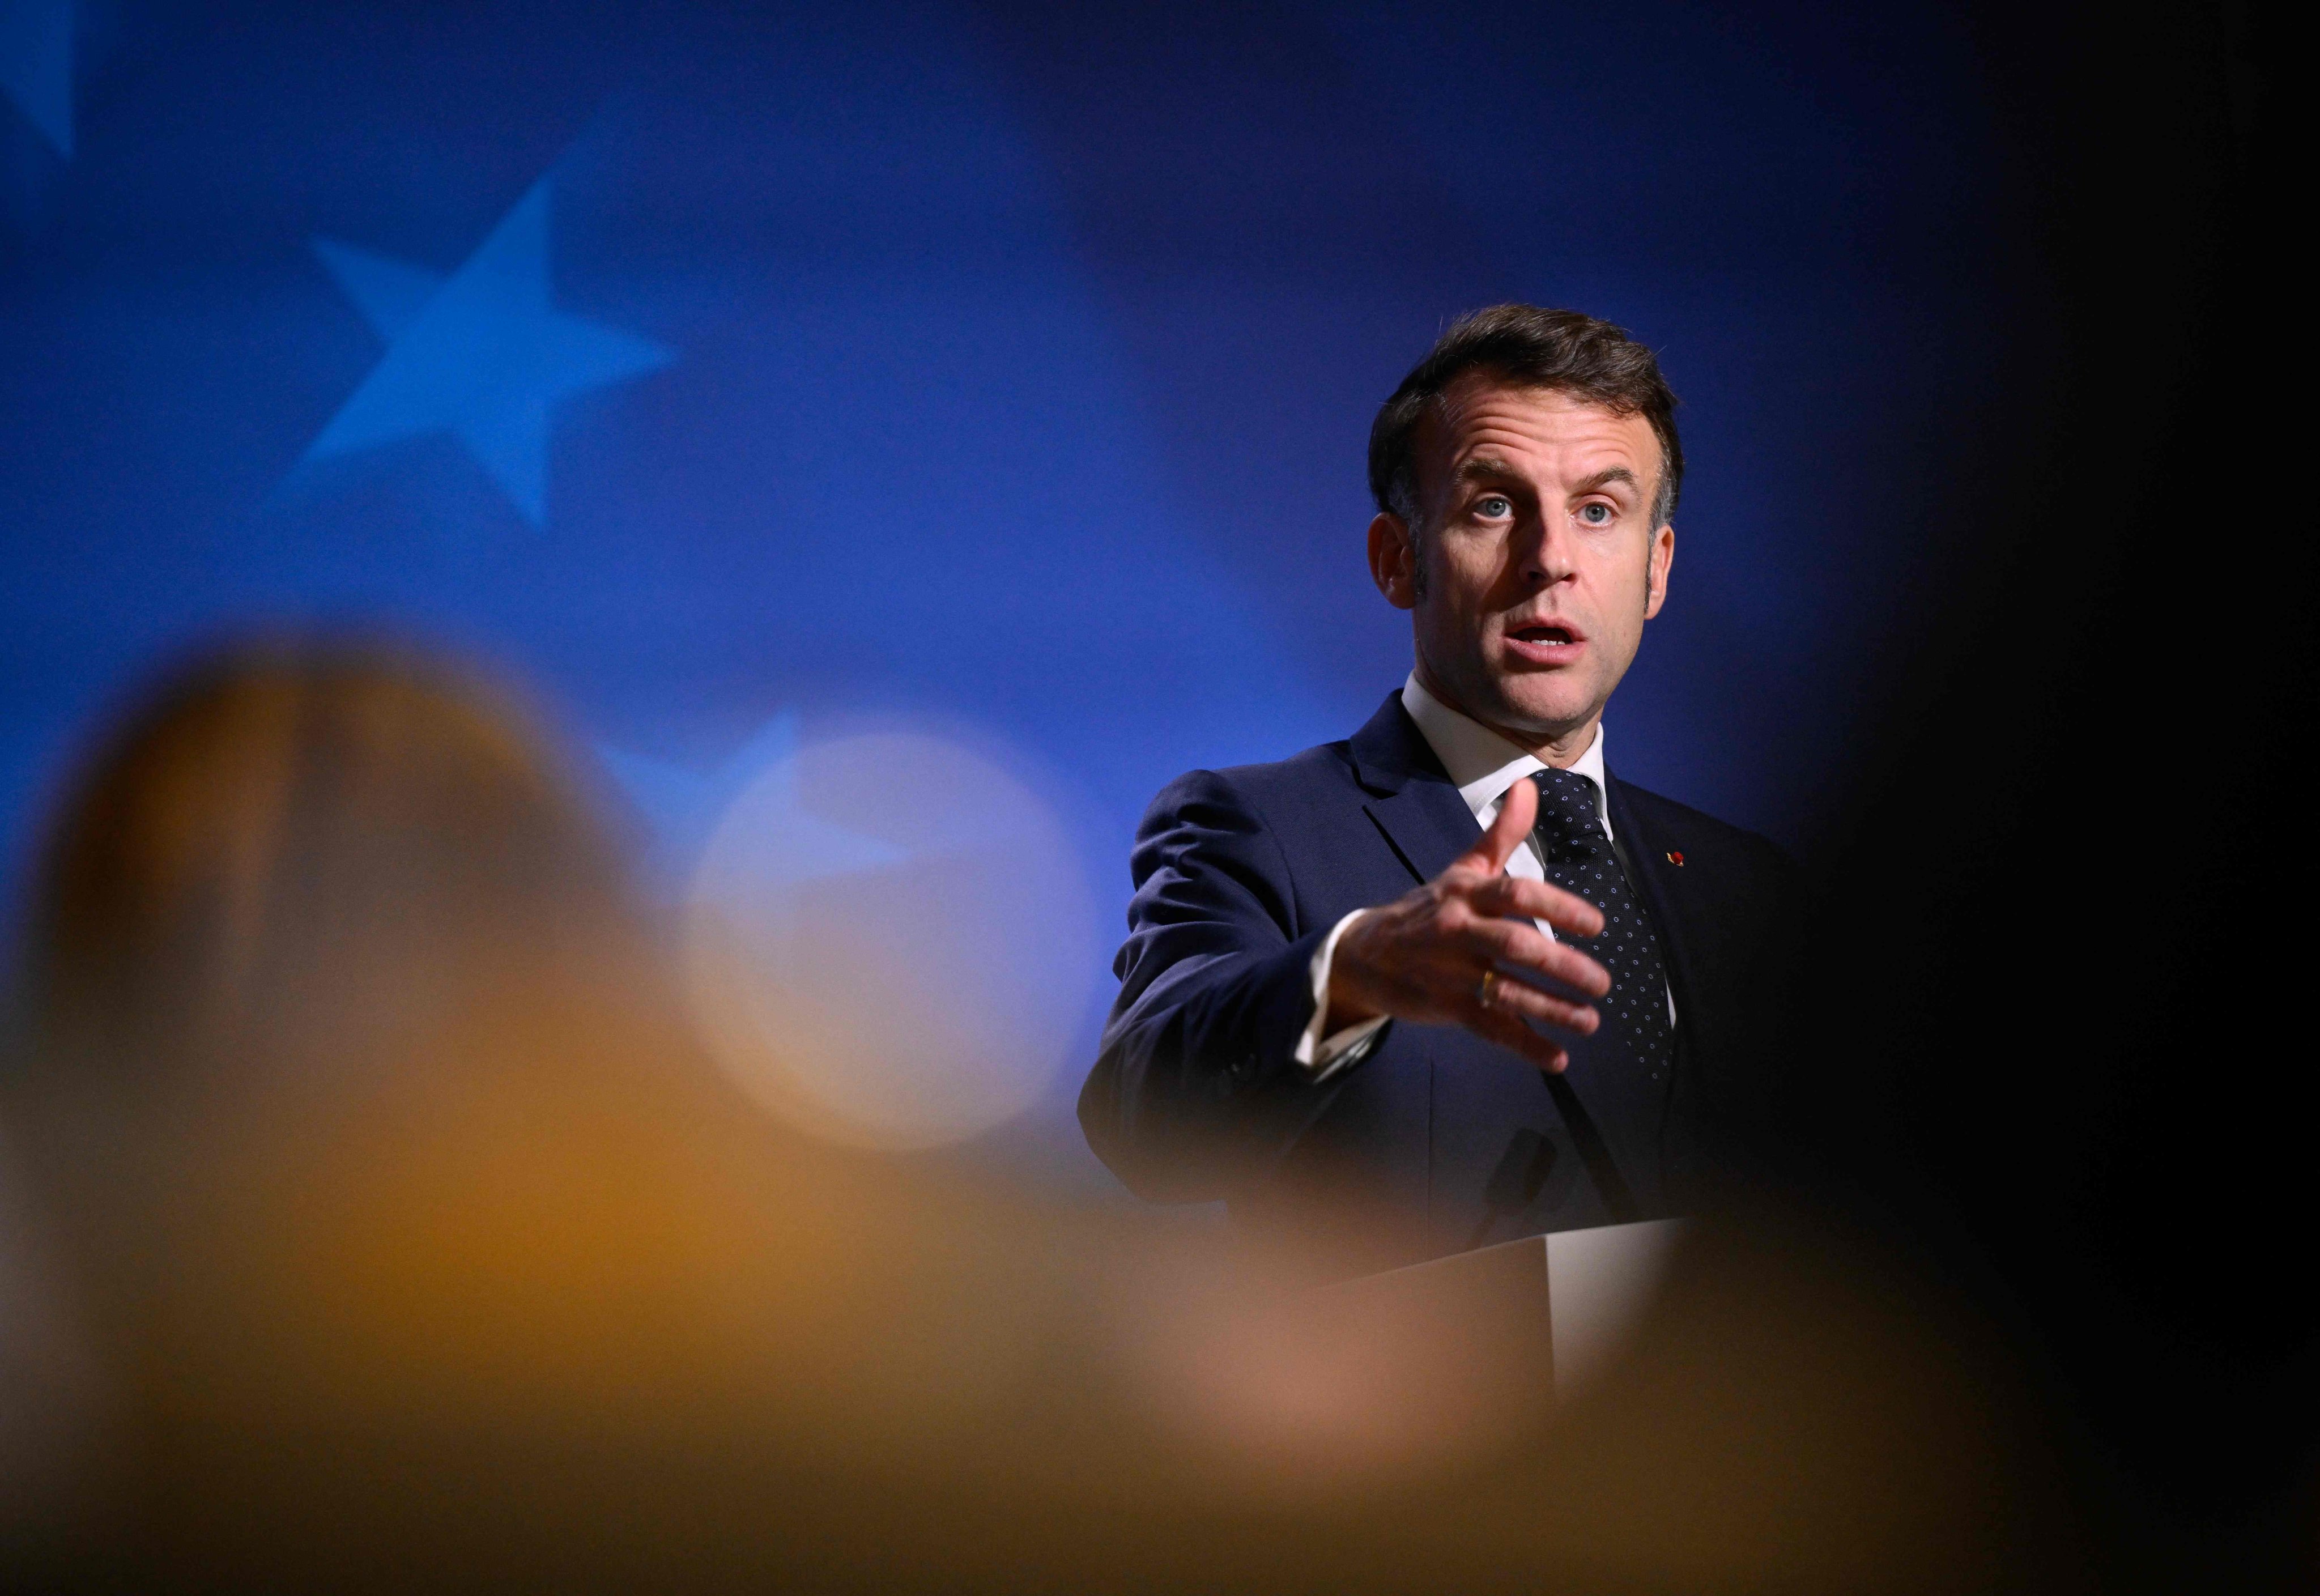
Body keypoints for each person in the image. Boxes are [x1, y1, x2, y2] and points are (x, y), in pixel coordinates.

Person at [1080, 306, 1802, 1272]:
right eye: (1494, 505)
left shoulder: (1745, 883)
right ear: (1398, 559)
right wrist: (1352, 974)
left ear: (1657, 569)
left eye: (1599, 510)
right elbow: (1140, 1116)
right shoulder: (1254, 826)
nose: (1552, 558)